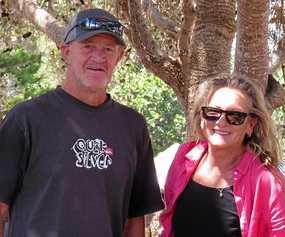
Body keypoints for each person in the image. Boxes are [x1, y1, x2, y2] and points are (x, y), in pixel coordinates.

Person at [0, 8, 163, 237]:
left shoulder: (133, 126)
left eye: (108, 49)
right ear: (66, 52)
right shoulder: (25, 119)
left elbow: (134, 219)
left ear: (119, 57)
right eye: (88, 46)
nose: (98, 57)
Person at [160, 74, 285, 237]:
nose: (221, 121)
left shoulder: (266, 182)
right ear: (201, 118)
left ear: (250, 124)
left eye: (235, 116)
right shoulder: (184, 158)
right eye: (212, 112)